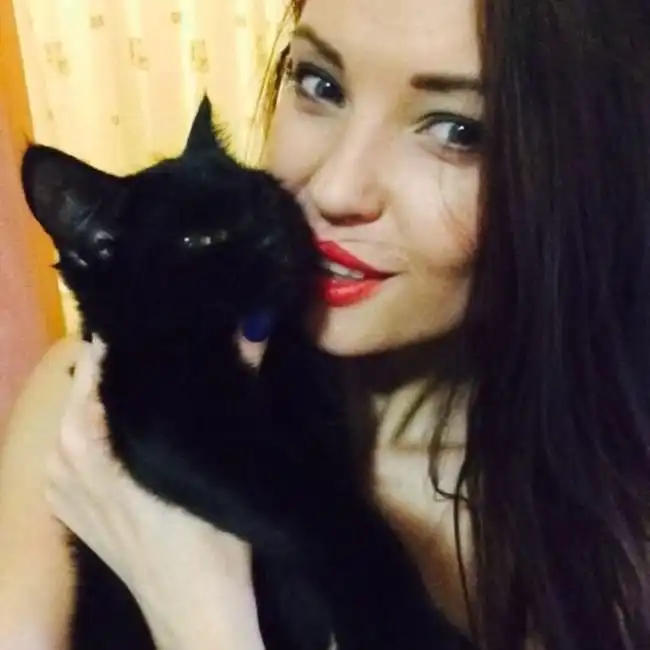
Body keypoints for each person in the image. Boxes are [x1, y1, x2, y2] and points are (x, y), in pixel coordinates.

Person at [1, 0, 649, 648]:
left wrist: (204, 622)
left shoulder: (620, 512)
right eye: (321, 84)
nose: (338, 189)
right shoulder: (84, 418)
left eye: (457, 130)